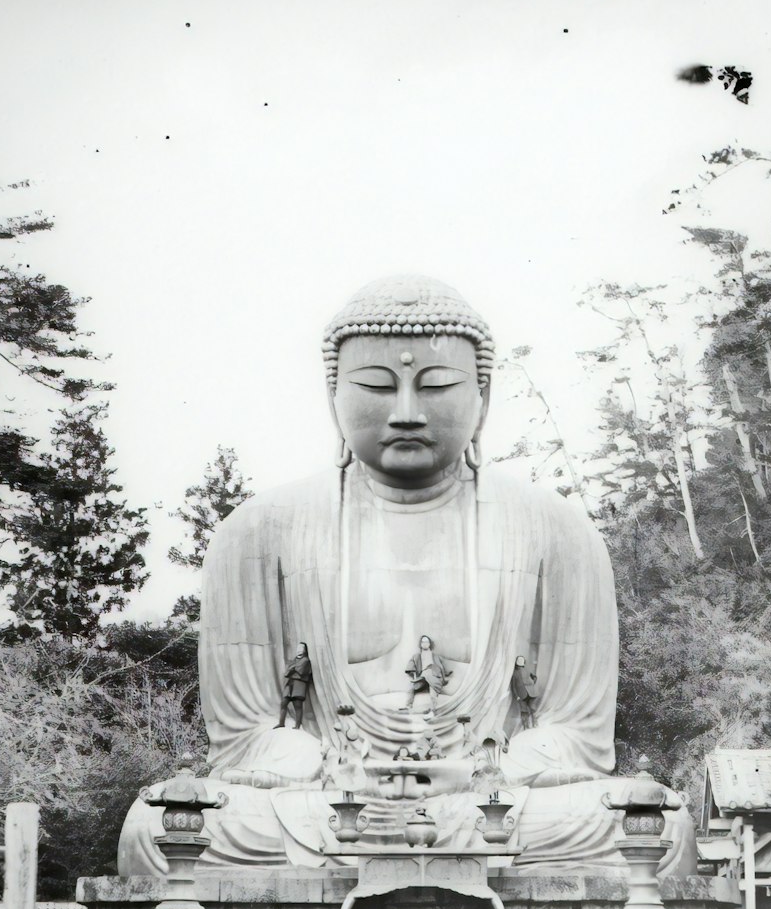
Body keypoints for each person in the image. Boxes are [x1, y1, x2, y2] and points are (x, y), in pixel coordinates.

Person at [118, 275, 696, 876]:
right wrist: (342, 772)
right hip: (329, 800)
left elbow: (577, 737)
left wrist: (478, 772)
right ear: (333, 395)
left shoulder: (559, 532)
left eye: (438, 385)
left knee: (663, 829)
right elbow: (243, 741)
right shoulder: (258, 531)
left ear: (484, 397)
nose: (406, 412)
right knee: (157, 830)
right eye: (374, 386)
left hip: (491, 799)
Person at [401, 635, 452, 715]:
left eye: (427, 642)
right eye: (423, 642)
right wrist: (414, 675)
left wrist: (446, 674)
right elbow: (410, 666)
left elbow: (444, 667)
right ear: (420, 644)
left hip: (434, 676)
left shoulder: (435, 656)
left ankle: (432, 711)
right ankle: (408, 706)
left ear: (430, 644)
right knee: (411, 686)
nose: (425, 643)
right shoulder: (416, 656)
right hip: (422, 678)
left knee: (433, 694)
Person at [274, 642, 312, 729]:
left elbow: (300, 671)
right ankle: (281, 723)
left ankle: (297, 725)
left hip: (299, 685)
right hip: (290, 684)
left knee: (297, 705)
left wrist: (293, 669)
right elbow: (287, 672)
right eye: (298, 648)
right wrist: (292, 669)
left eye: (301, 648)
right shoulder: (294, 660)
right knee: (283, 703)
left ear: (305, 650)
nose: (299, 650)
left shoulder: (306, 660)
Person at [510, 655, 539, 729]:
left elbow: (533, 676)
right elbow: (513, 687)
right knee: (524, 711)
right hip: (521, 695)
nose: (520, 666)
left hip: (531, 693)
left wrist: (533, 680)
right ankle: (526, 726)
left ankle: (535, 724)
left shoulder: (527, 669)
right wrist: (516, 696)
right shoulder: (514, 673)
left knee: (532, 708)